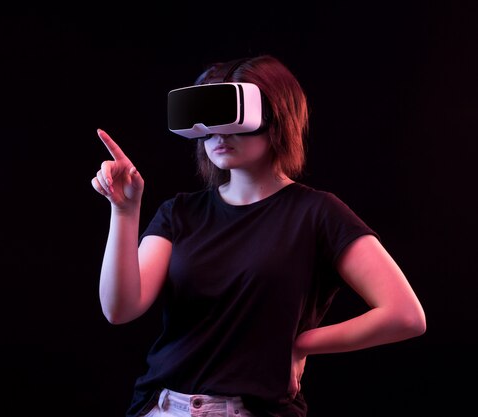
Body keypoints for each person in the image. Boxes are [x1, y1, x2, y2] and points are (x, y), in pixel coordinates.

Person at [90, 54, 426, 417]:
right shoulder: (180, 213)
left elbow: (405, 315)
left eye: (233, 118)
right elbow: (120, 308)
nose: (219, 134)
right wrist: (124, 211)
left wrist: (302, 343)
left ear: (277, 119)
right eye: (210, 121)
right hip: (163, 405)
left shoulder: (316, 214)